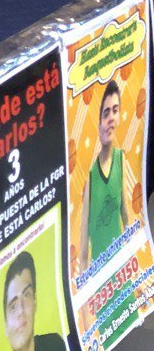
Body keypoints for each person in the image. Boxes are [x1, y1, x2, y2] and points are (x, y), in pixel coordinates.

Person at [78, 79, 131, 270]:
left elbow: (126, 216)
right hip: (99, 275)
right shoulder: (90, 176)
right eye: (106, 113)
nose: (111, 119)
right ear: (98, 121)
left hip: (122, 269)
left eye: (115, 111)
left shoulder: (120, 159)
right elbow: (83, 249)